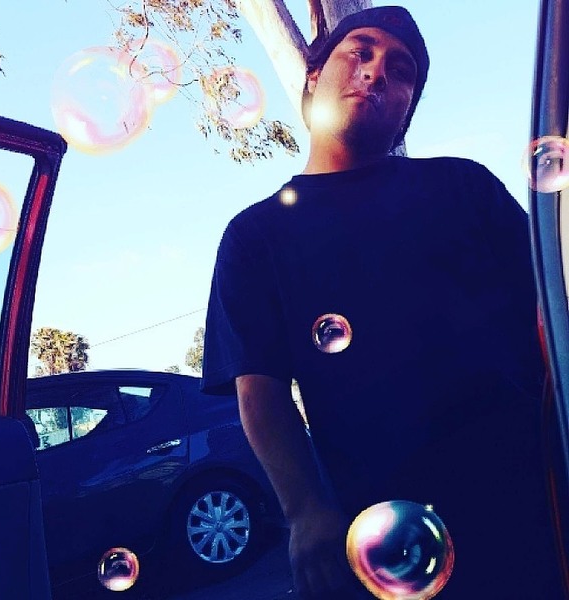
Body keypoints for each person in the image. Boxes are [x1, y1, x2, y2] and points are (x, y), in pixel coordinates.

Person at [201, 6, 565, 599]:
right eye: (360, 52)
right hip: (390, 535)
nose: (376, 72)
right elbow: (259, 392)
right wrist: (306, 511)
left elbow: (550, 302)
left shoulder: (464, 186)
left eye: (401, 71)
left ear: (407, 109)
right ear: (313, 76)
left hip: (535, 496)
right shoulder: (254, 236)